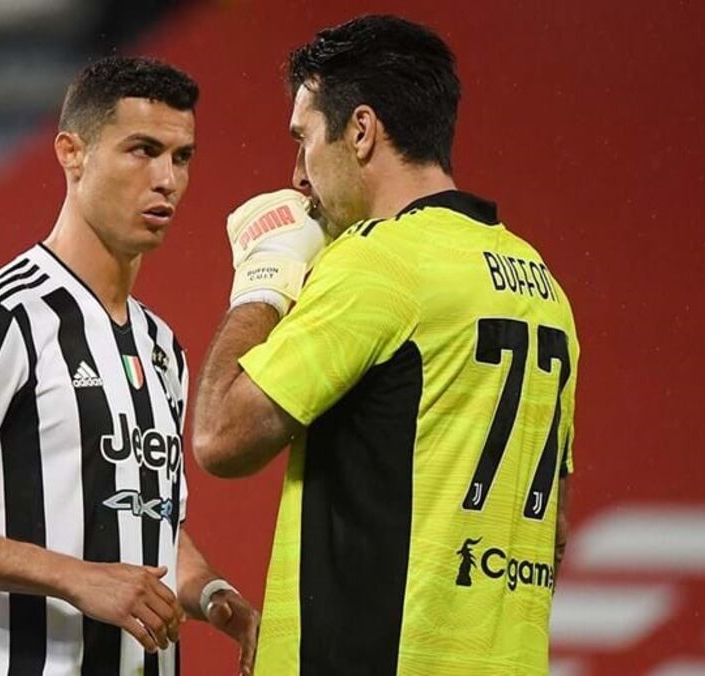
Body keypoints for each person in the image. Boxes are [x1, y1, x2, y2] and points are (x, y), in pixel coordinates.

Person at [192, 15, 579, 675]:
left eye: (304, 138)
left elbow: (219, 437)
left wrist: (264, 278)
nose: (297, 174)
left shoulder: (379, 262)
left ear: (362, 131)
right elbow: (555, 526)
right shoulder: (542, 284)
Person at [0, 56, 259, 676]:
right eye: (142, 150)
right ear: (72, 153)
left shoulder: (162, 346)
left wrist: (210, 594)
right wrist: (76, 579)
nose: (167, 180)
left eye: (181, 157)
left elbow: (143, 520)